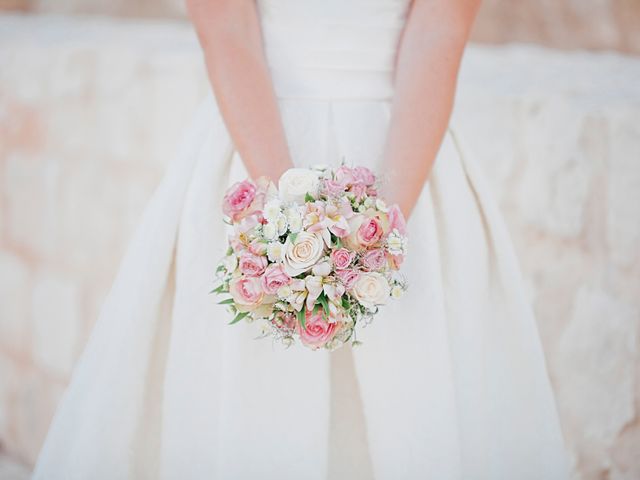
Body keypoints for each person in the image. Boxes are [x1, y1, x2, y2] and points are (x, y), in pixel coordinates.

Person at [33, 0, 570, 478]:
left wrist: (379, 229)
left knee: (414, 394)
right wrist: (284, 221)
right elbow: (226, 29)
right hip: (257, 147)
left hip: (407, 159)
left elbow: (440, 30)